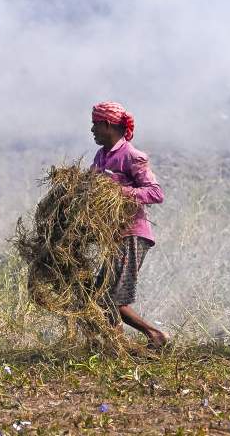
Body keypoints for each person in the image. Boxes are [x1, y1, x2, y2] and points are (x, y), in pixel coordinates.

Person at [90, 101, 168, 348]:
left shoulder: (132, 156)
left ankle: (155, 335)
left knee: (110, 298)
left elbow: (155, 193)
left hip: (132, 234)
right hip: (114, 236)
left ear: (109, 125)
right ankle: (117, 345)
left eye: (96, 125)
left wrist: (119, 192)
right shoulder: (101, 156)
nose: (92, 130)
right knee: (100, 295)